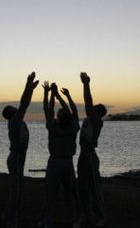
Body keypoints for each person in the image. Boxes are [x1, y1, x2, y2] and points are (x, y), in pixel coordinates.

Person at [2, 72, 39, 228]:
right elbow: (24, 104)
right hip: (16, 158)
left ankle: (11, 216)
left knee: (17, 189)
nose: (17, 108)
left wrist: (30, 89)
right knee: (16, 191)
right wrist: (28, 85)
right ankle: (12, 220)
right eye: (13, 108)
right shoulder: (15, 122)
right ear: (11, 114)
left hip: (17, 158)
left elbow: (24, 104)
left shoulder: (16, 121)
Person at [42, 82, 81, 228]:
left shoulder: (53, 127)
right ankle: (73, 221)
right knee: (70, 194)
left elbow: (48, 109)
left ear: (58, 117)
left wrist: (49, 93)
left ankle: (48, 222)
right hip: (67, 163)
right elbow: (73, 112)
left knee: (50, 194)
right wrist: (63, 96)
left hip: (54, 162)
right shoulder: (73, 127)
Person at [77, 72, 107, 227]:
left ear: (98, 113)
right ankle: (86, 214)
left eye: (93, 109)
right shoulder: (90, 119)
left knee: (94, 187)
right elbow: (88, 105)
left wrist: (86, 84)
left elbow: (88, 102)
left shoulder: (96, 121)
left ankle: (100, 216)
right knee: (82, 187)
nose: (90, 110)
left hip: (89, 156)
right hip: (83, 156)